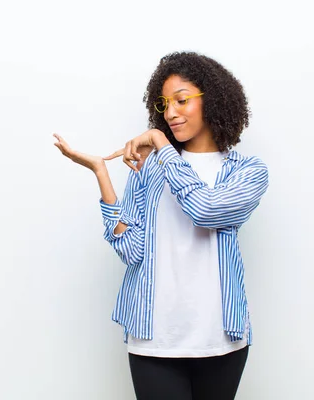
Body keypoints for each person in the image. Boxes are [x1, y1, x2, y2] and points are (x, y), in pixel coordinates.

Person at [53, 51, 269, 400]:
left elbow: (204, 209)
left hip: (220, 338)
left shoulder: (247, 172)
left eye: (182, 100)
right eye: (164, 103)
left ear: (212, 100)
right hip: (154, 339)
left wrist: (159, 142)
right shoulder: (150, 169)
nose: (170, 113)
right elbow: (131, 250)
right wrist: (102, 175)